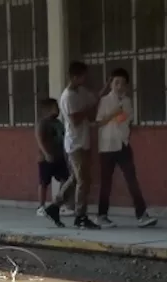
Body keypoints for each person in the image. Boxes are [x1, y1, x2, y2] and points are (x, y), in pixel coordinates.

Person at [42, 61, 103, 229]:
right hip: (74, 144)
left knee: (76, 179)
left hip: (83, 141)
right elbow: (75, 120)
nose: (84, 79)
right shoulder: (67, 97)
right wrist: (88, 111)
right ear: (74, 77)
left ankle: (54, 207)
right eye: (82, 77)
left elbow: (93, 101)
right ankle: (80, 216)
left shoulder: (81, 92)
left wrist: (103, 92)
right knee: (84, 180)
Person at [93, 68, 157, 228]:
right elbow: (99, 122)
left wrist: (121, 120)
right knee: (106, 183)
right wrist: (113, 113)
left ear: (127, 85)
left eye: (123, 83)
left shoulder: (127, 101)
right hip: (107, 146)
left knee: (131, 180)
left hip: (123, 145)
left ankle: (142, 215)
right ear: (111, 84)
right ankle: (101, 216)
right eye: (116, 83)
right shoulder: (105, 101)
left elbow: (127, 120)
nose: (119, 86)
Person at [35, 98, 73, 217]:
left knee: (65, 179)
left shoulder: (58, 123)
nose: (58, 110)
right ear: (46, 110)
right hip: (46, 158)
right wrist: (46, 154)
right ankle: (41, 207)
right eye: (54, 107)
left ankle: (60, 205)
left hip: (59, 157)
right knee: (44, 182)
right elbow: (39, 140)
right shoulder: (42, 123)